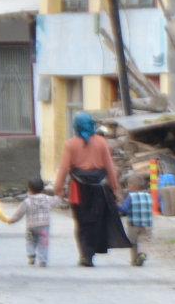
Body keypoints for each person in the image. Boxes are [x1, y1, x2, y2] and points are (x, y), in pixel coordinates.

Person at [54, 112, 131, 267]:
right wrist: (115, 188)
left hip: (78, 188)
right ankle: (90, 253)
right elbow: (110, 167)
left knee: (81, 222)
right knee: (96, 221)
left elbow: (64, 168)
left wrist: (59, 189)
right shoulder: (102, 142)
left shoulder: (71, 144)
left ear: (76, 126)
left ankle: (85, 254)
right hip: (100, 189)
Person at [8, 178, 57, 267]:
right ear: (43, 189)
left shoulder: (27, 201)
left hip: (31, 226)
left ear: (29, 189)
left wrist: (12, 220)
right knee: (43, 243)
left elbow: (19, 213)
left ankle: (31, 255)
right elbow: (57, 200)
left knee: (30, 241)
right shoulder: (47, 199)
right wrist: (59, 193)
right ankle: (42, 260)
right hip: (44, 226)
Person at [118, 174, 153, 267]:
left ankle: (134, 260)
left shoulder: (131, 197)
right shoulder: (148, 195)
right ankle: (142, 254)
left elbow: (124, 209)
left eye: (128, 185)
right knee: (144, 240)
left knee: (133, 242)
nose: (128, 187)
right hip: (147, 224)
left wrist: (118, 208)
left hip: (133, 224)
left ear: (133, 186)